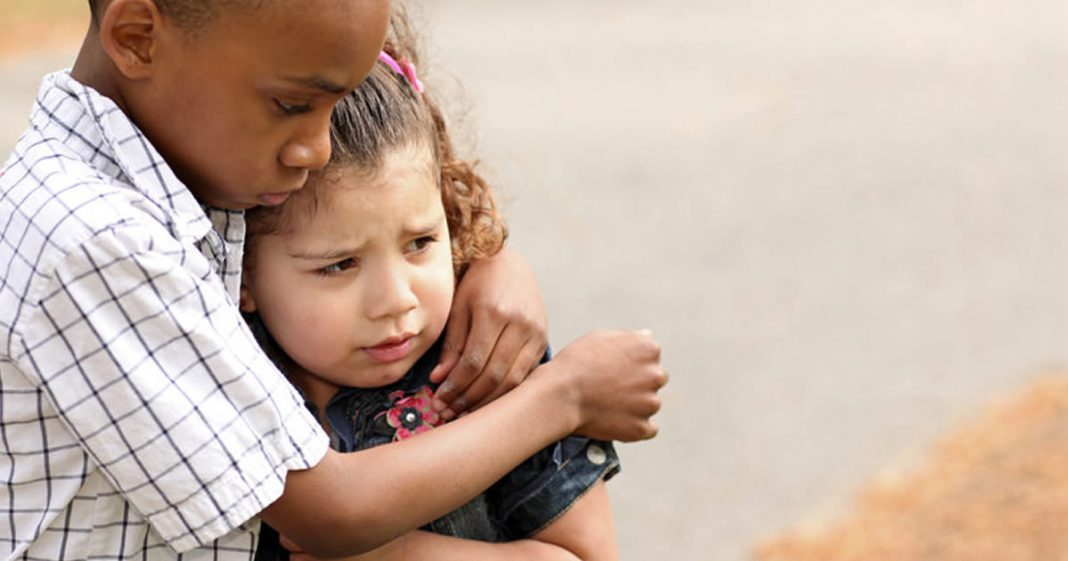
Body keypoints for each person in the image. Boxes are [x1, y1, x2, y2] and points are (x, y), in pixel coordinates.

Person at [0, 1, 667, 560]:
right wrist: (568, 393)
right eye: (292, 103)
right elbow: (332, 511)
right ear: (138, 38)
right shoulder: (96, 240)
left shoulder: (180, 179)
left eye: (337, 104)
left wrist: (489, 261)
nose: (318, 149)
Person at [242, 46, 622, 561]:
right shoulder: (224, 380)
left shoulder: (489, 365)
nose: (396, 301)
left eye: (420, 243)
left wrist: (381, 551)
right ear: (241, 271)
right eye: (340, 265)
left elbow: (586, 554)